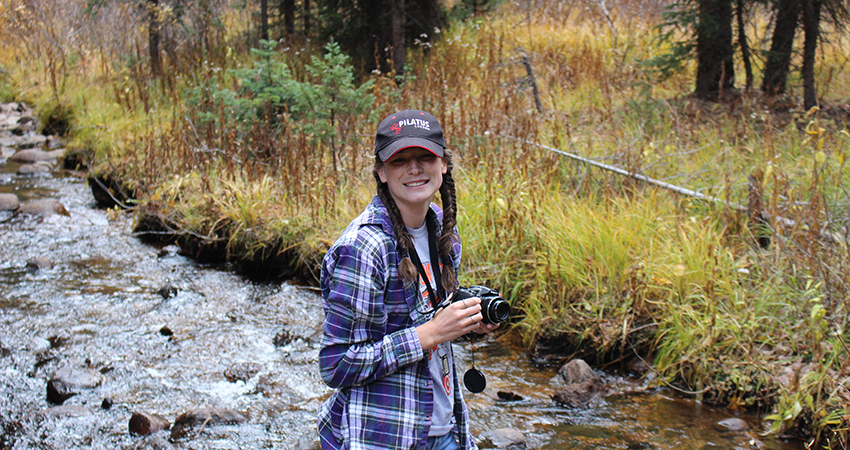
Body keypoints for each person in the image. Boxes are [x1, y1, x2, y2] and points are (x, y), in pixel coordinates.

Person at [317, 109, 499, 450]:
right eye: (400, 160)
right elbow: (336, 364)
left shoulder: (442, 228)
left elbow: (430, 321)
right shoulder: (364, 248)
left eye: (424, 157)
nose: (414, 169)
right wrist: (427, 334)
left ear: (443, 164)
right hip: (385, 436)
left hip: (446, 427)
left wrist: (463, 322)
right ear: (381, 172)